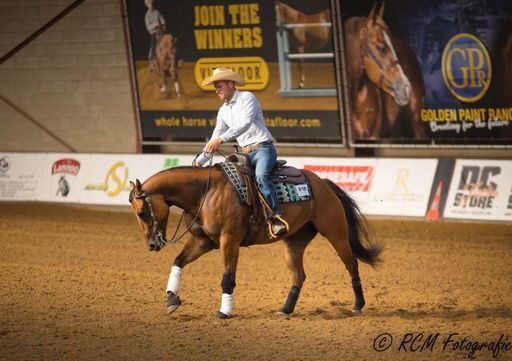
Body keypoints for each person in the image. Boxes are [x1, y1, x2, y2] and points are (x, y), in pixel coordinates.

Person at [194, 68, 287, 237]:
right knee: (227, 181)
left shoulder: (248, 98)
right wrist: (201, 159)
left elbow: (244, 123)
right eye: (215, 86)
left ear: (231, 83)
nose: (217, 89)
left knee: (260, 176)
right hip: (244, 153)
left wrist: (220, 140)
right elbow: (215, 136)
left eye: (220, 85)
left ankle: (275, 218)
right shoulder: (223, 110)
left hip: (263, 148)